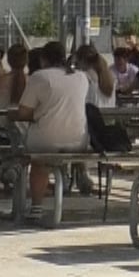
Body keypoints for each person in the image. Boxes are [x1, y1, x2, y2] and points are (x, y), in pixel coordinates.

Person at [17, 41, 91, 209]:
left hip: (46, 140)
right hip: (78, 139)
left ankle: (36, 206)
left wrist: (37, 113)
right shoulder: (81, 77)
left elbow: (23, 113)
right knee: (46, 152)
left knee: (38, 162)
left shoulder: (40, 77)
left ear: (43, 59)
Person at [74, 44, 116, 110]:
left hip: (91, 117)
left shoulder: (83, 76)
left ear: (81, 60)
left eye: (76, 63)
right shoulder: (111, 76)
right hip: (109, 117)